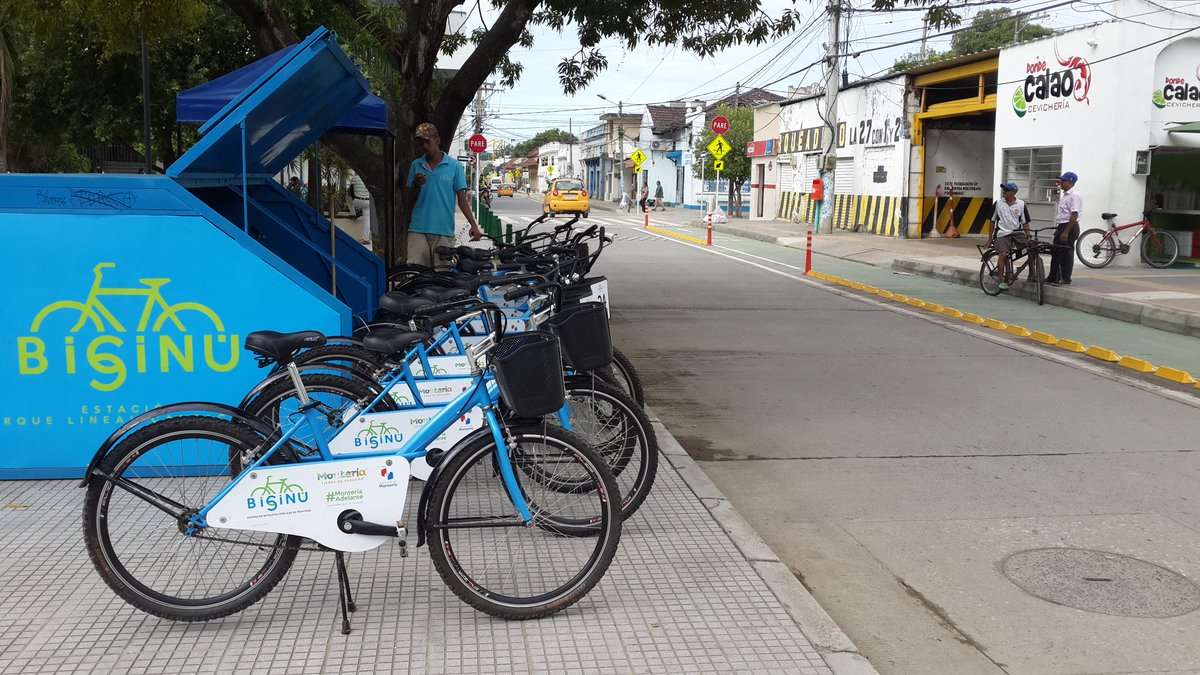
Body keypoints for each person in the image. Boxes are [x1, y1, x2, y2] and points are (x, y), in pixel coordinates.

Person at [405, 122, 482, 269]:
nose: (424, 146)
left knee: (442, 276)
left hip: (444, 232)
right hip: (417, 229)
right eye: (421, 142)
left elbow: (462, 200)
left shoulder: (454, 166)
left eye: (427, 141)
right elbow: (408, 198)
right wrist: (415, 185)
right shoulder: (416, 165)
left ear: (437, 140)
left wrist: (473, 224)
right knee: (414, 274)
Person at [988, 182, 1032, 290]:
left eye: (1006, 190)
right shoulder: (998, 203)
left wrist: (1028, 236)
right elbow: (992, 221)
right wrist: (989, 239)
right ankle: (1001, 280)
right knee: (1003, 254)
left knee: (1033, 248)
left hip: (1016, 232)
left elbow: (1025, 222)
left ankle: (1033, 275)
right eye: (1004, 190)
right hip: (1002, 233)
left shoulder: (1021, 204)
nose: (1004, 192)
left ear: (1013, 193)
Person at [1047, 171, 1081, 285]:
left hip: (1069, 226)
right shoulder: (1065, 195)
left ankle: (1065, 278)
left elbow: (1074, 215)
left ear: (1070, 182)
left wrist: (1066, 232)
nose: (1060, 182)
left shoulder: (1074, 195)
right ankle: (1053, 277)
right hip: (1062, 225)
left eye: (1063, 180)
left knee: (1066, 253)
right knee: (1056, 252)